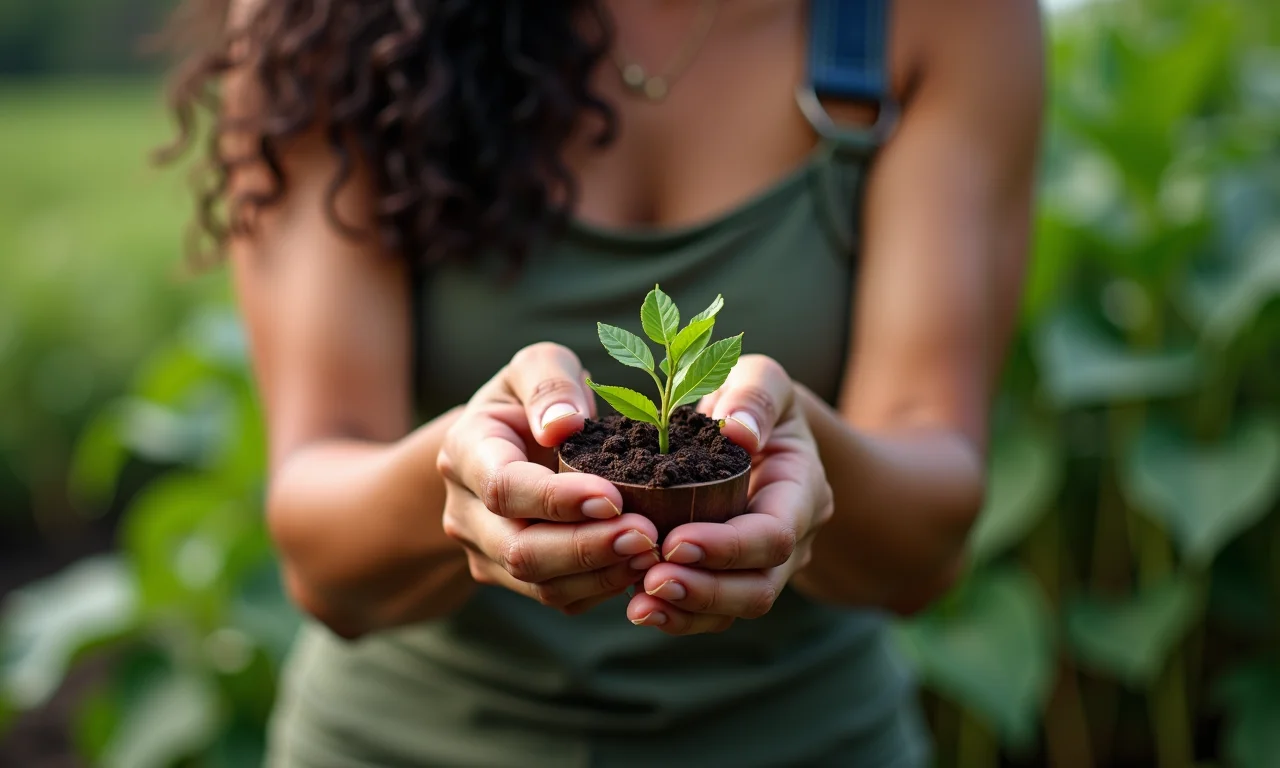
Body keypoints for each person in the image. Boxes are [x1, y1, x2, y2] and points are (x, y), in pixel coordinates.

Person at [161, 0, 1043, 764]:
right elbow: (320, 553)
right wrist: (460, 467)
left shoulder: (943, 20)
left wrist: (801, 455)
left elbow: (929, 541)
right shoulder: (339, 25)